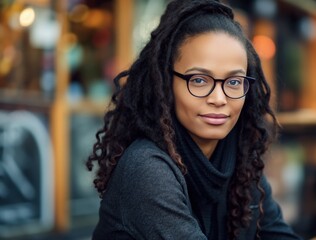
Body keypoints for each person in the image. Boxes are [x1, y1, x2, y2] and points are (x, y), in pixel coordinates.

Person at [87, 0, 302, 239]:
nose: (219, 98)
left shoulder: (240, 162)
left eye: (233, 82)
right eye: (199, 80)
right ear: (166, 83)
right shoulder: (146, 169)